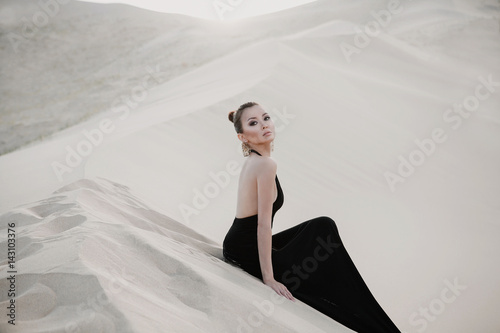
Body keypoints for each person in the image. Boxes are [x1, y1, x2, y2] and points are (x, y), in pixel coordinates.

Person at [222, 102, 401, 333]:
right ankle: (368, 319)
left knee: (321, 226)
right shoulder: (265, 165)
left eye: (266, 118)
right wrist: (269, 278)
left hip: (240, 245)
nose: (264, 125)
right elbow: (263, 225)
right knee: (324, 238)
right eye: (253, 123)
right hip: (246, 253)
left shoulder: (256, 161)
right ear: (242, 137)